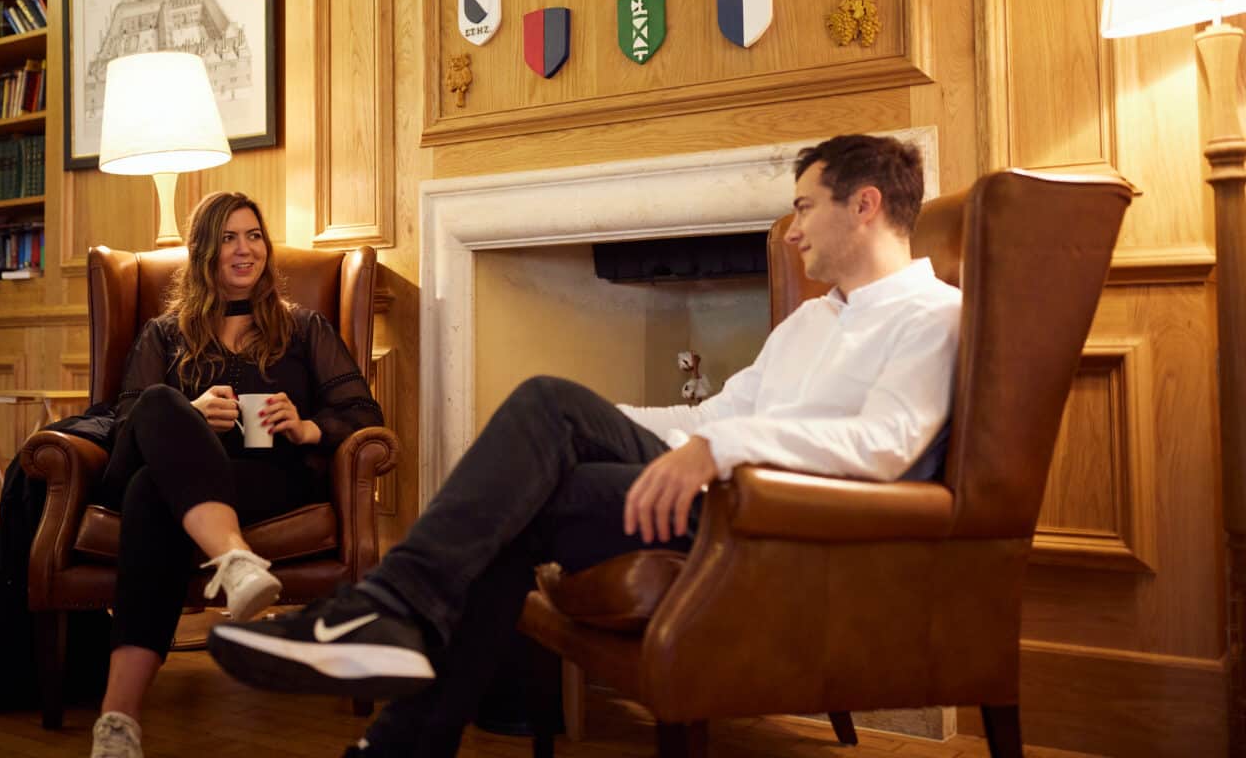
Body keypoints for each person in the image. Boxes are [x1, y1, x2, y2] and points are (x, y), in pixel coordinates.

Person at [207, 134, 962, 757]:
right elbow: (723, 412)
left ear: (864, 206)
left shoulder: (934, 315)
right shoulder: (809, 322)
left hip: (777, 524)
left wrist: (726, 448)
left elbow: (887, 445)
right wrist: (606, 421)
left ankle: (384, 620)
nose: (791, 230)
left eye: (804, 207)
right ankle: (406, 735)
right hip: (715, 496)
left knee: (543, 410)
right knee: (524, 482)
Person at [89, 191, 384, 758]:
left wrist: (304, 428)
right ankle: (237, 561)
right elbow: (125, 419)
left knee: (151, 495)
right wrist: (190, 414)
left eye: (254, 236)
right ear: (204, 251)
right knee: (157, 405)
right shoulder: (164, 333)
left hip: (264, 480)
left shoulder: (303, 329)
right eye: (228, 238)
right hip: (172, 469)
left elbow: (364, 416)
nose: (244, 250)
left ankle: (117, 721)